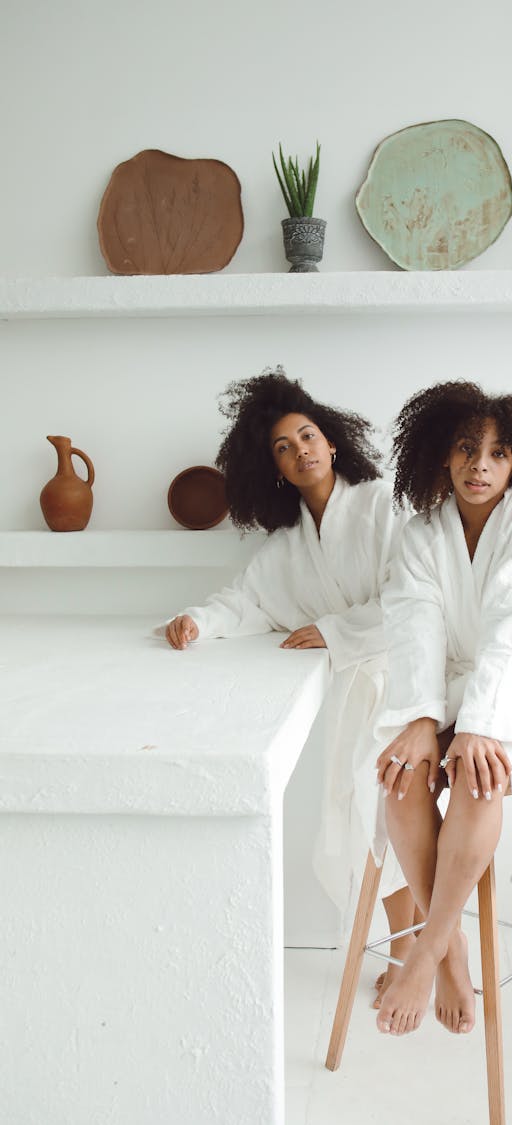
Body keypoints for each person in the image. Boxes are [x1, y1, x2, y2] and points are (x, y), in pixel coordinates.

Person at [160, 367, 415, 1001]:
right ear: (275, 468)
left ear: (332, 442)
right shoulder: (289, 545)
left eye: (307, 435)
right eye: (283, 447)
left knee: (395, 817)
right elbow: (249, 601)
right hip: (355, 698)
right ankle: (406, 947)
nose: (300, 450)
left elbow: (415, 598)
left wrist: (335, 629)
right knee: (365, 820)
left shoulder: (384, 505)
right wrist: (199, 621)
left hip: (408, 690)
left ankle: (415, 951)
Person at [372, 381, 512, 1037]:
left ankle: (426, 949)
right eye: (467, 449)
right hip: (438, 695)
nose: (480, 466)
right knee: (400, 776)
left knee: (479, 773)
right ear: (442, 454)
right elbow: (413, 626)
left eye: (497, 453)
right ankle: (451, 947)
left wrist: (479, 727)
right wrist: (419, 719)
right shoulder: (419, 535)